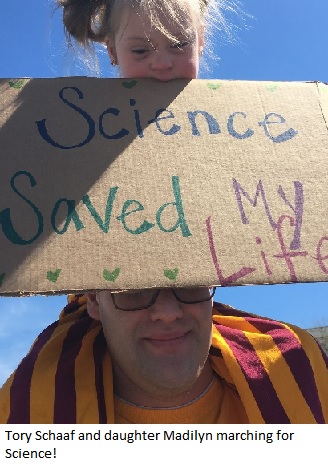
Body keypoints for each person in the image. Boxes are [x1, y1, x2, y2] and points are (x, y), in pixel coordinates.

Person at [1, 0, 327, 424]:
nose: (161, 63)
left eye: (178, 44)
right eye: (140, 51)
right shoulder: (77, 132)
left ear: (202, 42)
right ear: (113, 53)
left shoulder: (226, 130)